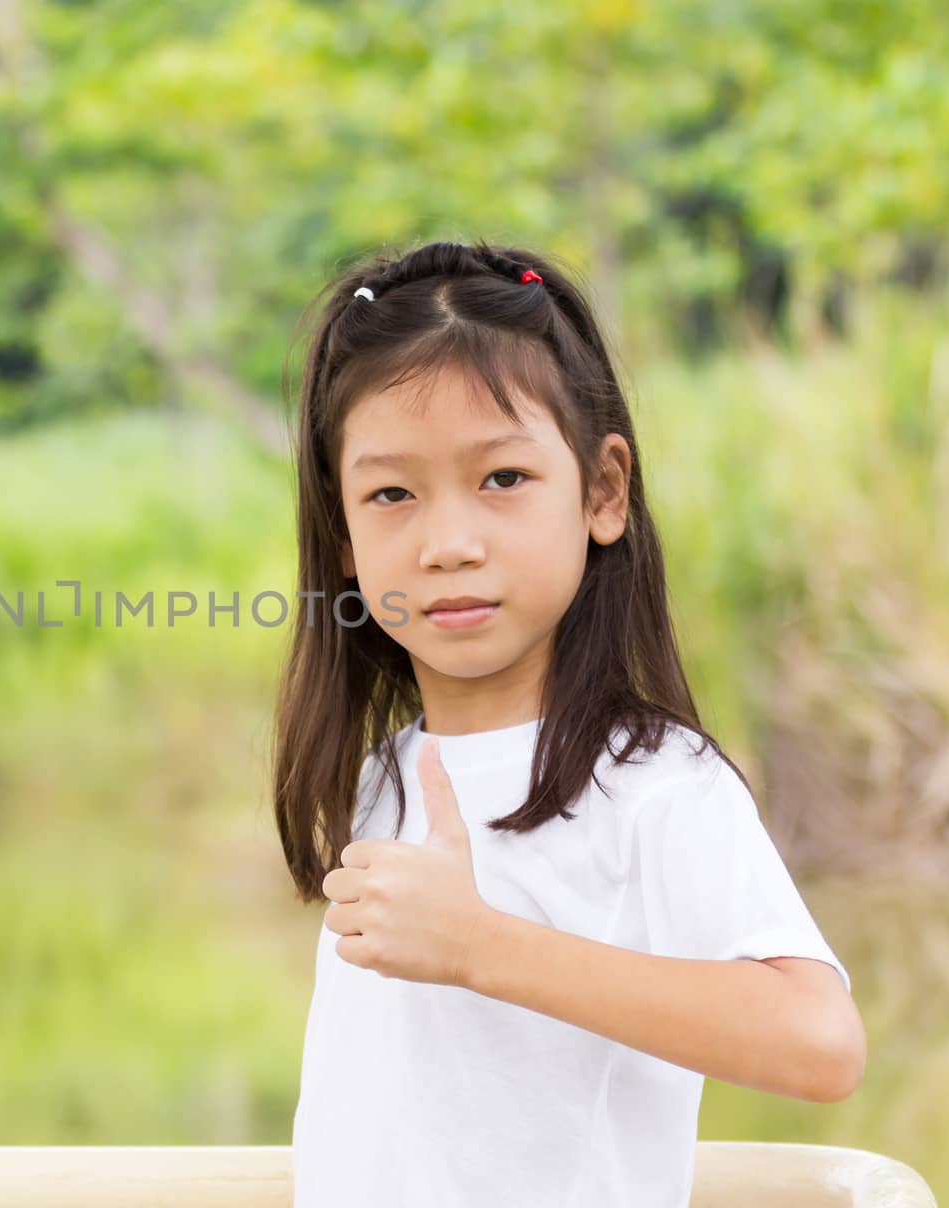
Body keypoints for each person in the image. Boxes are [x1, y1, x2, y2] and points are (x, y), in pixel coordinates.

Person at [273, 238, 866, 1207]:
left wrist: (482, 945)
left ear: (602, 490)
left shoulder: (652, 781)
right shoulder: (382, 773)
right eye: (391, 493)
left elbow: (819, 1042)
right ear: (343, 536)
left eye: (501, 478)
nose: (448, 543)